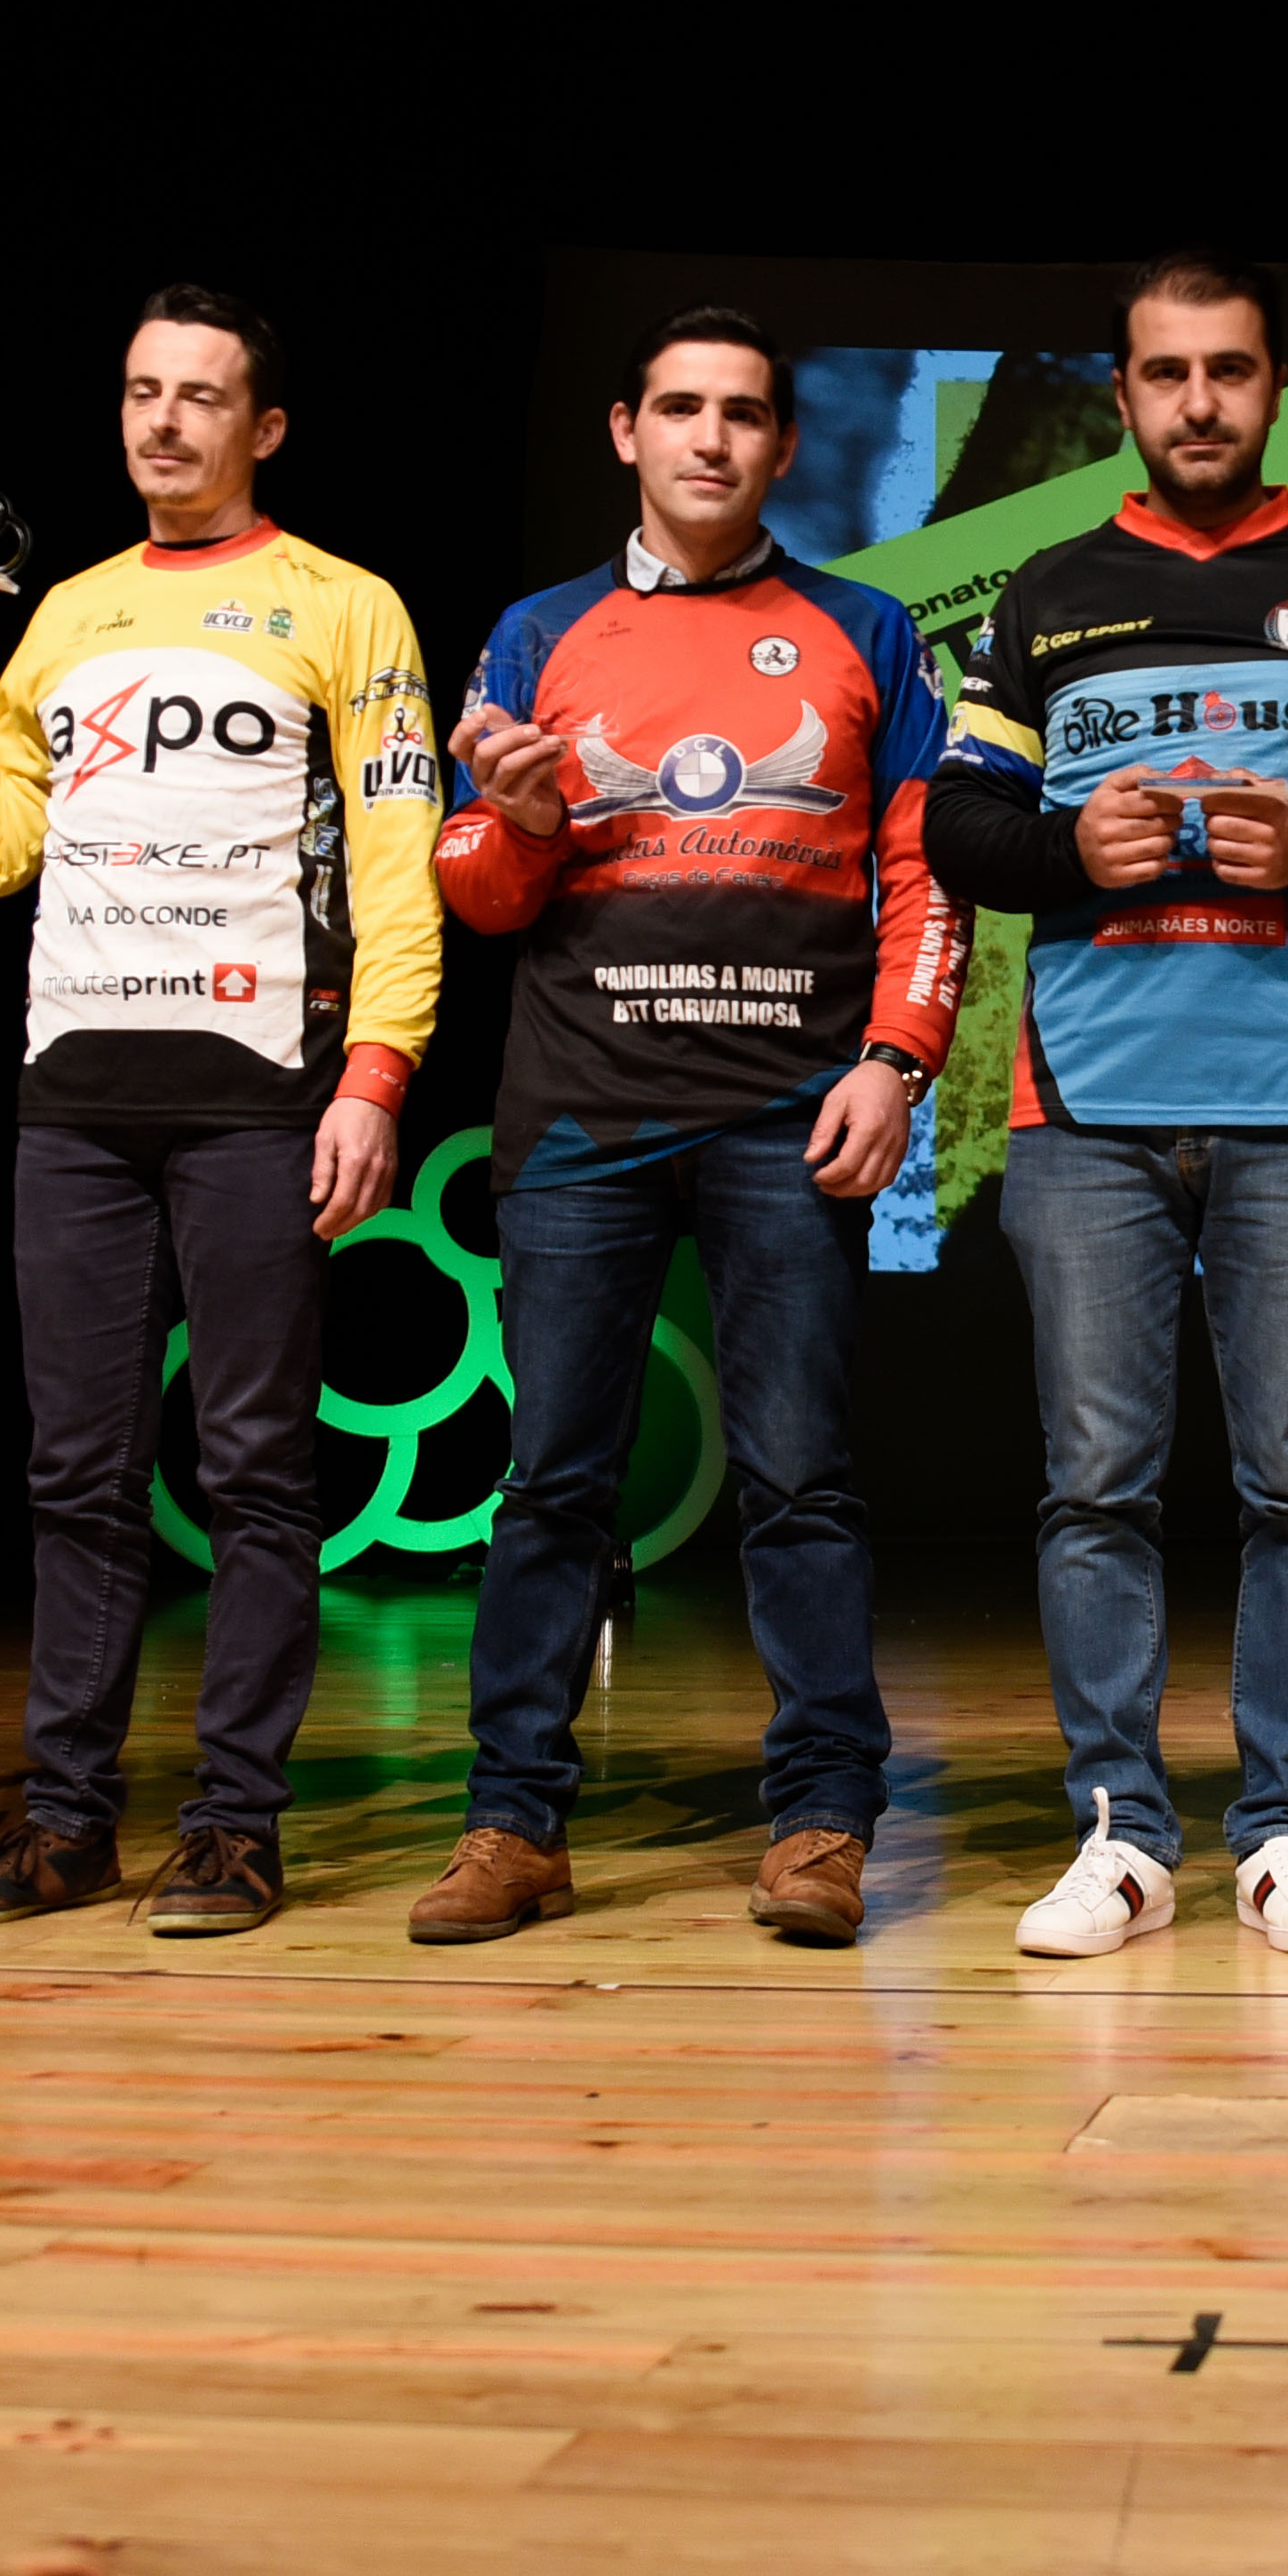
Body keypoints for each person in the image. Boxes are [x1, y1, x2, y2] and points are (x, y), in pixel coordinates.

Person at [923, 250, 1288, 1959]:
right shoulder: (1047, 591)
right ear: (1123, 395)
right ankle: (1120, 1835)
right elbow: (958, 825)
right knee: (1094, 1486)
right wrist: (1065, 850)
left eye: (1229, 371)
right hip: (1086, 1114)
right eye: (1166, 375)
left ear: (1275, 386)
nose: (1198, 403)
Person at [0, 285, 441, 1940]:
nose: (164, 421)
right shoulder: (68, 614)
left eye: (199, 395)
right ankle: (65, 1823)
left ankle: (234, 1826)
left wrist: (378, 1074)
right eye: (140, 392)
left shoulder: (348, 605)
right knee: (76, 1476)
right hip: (74, 1103)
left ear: (265, 428)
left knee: (256, 1471)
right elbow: (2, 849)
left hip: (259, 1096)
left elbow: (397, 861)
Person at [406, 310, 963, 1952]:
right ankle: (513, 1825)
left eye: (741, 414)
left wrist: (898, 1059)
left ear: (782, 446)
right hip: (582, 1117)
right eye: (679, 409)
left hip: (791, 1117)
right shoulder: (536, 632)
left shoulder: (869, 630)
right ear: (625, 432)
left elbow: (925, 873)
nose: (709, 438)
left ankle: (823, 1820)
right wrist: (516, 825)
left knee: (801, 1481)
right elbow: (479, 892)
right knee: (553, 1485)